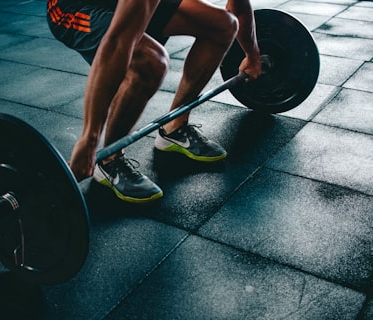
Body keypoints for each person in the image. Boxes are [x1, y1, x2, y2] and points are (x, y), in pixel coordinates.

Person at [47, 0, 261, 203]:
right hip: (74, 7)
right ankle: (110, 160)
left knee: (223, 25)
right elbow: (118, 43)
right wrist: (89, 139)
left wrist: (252, 56)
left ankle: (174, 127)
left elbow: (238, 7)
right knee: (151, 61)